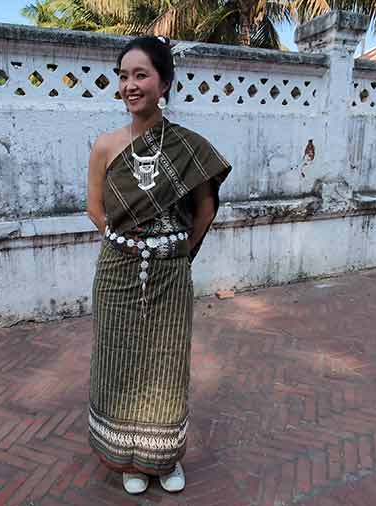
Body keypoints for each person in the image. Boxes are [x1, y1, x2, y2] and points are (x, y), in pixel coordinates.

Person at [85, 35, 232, 495]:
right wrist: (129, 243)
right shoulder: (105, 146)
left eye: (141, 75)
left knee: (166, 366)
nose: (130, 85)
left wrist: (175, 250)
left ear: (164, 83)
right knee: (119, 362)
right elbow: (94, 209)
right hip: (117, 273)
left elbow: (204, 210)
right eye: (123, 76)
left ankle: (164, 459)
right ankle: (127, 459)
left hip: (170, 274)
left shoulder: (190, 148)